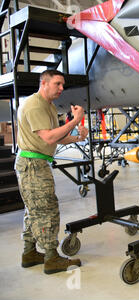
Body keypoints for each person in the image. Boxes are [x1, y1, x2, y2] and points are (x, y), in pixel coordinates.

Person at [16, 69, 88, 274]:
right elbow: (48, 138)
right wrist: (74, 121)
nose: (62, 88)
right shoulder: (34, 105)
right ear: (44, 83)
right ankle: (51, 257)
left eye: (62, 84)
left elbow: (56, 136)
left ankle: (29, 253)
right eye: (58, 84)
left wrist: (77, 136)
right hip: (32, 165)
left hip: (37, 162)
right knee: (46, 210)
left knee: (34, 210)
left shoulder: (48, 105)